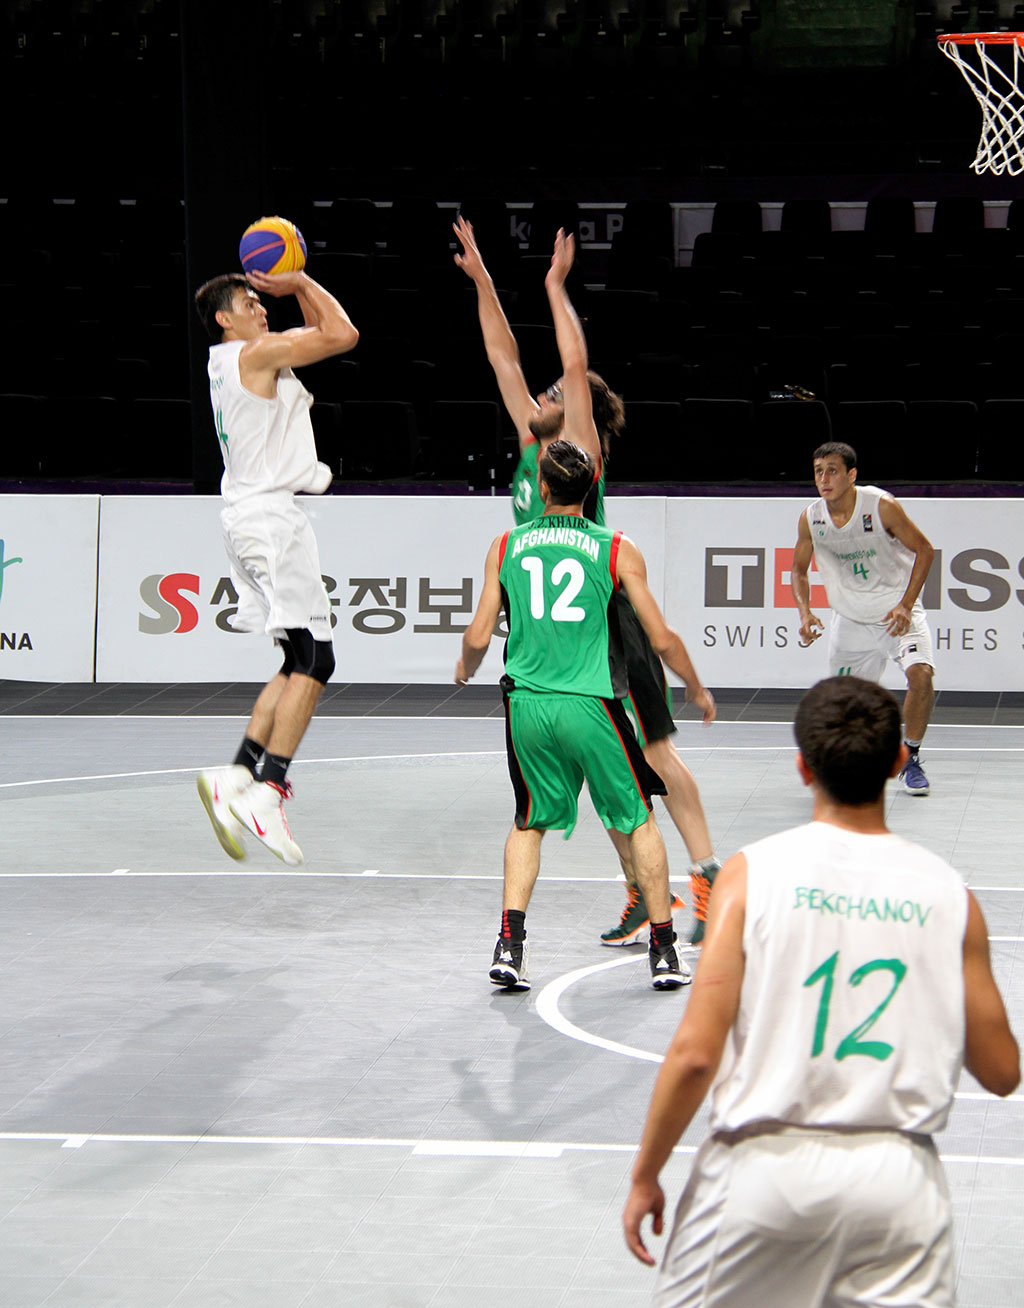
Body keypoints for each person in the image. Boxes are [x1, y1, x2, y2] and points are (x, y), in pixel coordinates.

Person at [622, 675, 1019, 1307]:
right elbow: (1001, 1072)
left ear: (803, 768)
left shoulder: (750, 876)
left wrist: (646, 1173)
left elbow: (696, 1053)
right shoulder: (951, 897)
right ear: (896, 762)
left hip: (762, 1170)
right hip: (897, 1182)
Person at [453, 215, 722, 947]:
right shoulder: (530, 446)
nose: (539, 391)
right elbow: (502, 358)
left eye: (555, 392)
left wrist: (555, 287)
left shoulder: (579, 446)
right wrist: (482, 280)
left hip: (609, 634)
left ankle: (705, 873)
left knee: (653, 758)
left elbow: (572, 368)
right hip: (558, 645)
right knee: (603, 764)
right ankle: (643, 885)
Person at [456, 440, 716, 994]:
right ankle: (665, 951)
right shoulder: (617, 548)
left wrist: (463, 663)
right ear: (592, 490)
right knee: (638, 818)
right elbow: (660, 637)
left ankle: (510, 946)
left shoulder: (505, 545)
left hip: (526, 705)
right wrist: (694, 685)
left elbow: (479, 636)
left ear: (542, 489)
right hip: (593, 706)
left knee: (529, 822)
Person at [192, 267, 358, 865]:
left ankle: (235, 775)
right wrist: (302, 281)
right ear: (224, 320)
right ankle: (269, 790)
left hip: (243, 515)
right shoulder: (256, 352)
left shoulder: (224, 363)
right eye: (249, 302)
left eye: (263, 301)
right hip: (269, 519)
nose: (261, 309)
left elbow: (319, 336)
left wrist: (292, 293)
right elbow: (342, 334)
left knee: (294, 659)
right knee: (319, 658)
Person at [792, 441, 936, 795]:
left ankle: (911, 757)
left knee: (921, 675)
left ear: (851, 475)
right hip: (850, 619)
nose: (824, 479)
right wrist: (805, 612)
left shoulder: (880, 506)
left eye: (832, 470)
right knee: (843, 704)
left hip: (896, 615)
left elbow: (925, 550)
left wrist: (905, 604)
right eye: (818, 471)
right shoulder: (811, 517)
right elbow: (798, 570)